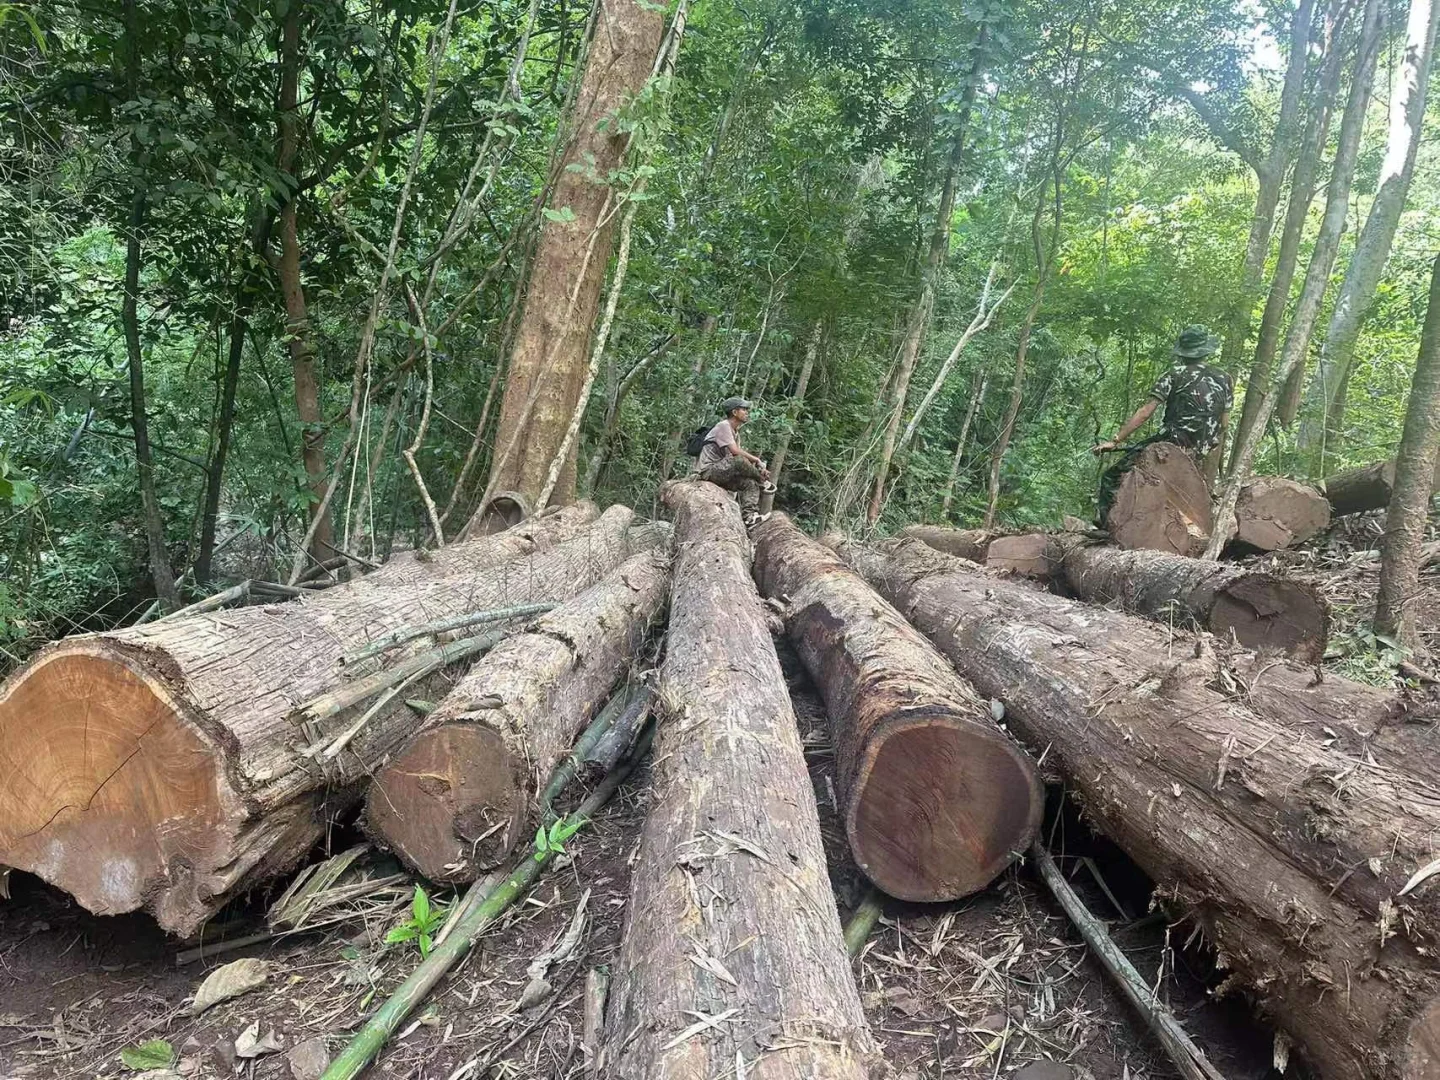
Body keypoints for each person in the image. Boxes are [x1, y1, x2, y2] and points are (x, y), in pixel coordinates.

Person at [1091, 325, 1233, 525]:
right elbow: (1224, 423)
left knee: (1112, 477)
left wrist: (1115, 441)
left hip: (1171, 443)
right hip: (1200, 449)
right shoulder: (1225, 379)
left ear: (1183, 353)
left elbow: (1145, 413)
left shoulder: (1174, 375)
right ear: (1205, 350)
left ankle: (1109, 527)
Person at [695, 396, 774, 527]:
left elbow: (734, 458)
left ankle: (750, 517)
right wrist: (756, 460)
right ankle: (762, 480)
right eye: (744, 409)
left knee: (750, 483)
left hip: (722, 471)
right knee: (739, 460)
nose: (747, 412)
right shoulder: (723, 426)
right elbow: (735, 453)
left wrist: (755, 468)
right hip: (709, 471)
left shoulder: (735, 432)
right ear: (734, 412)